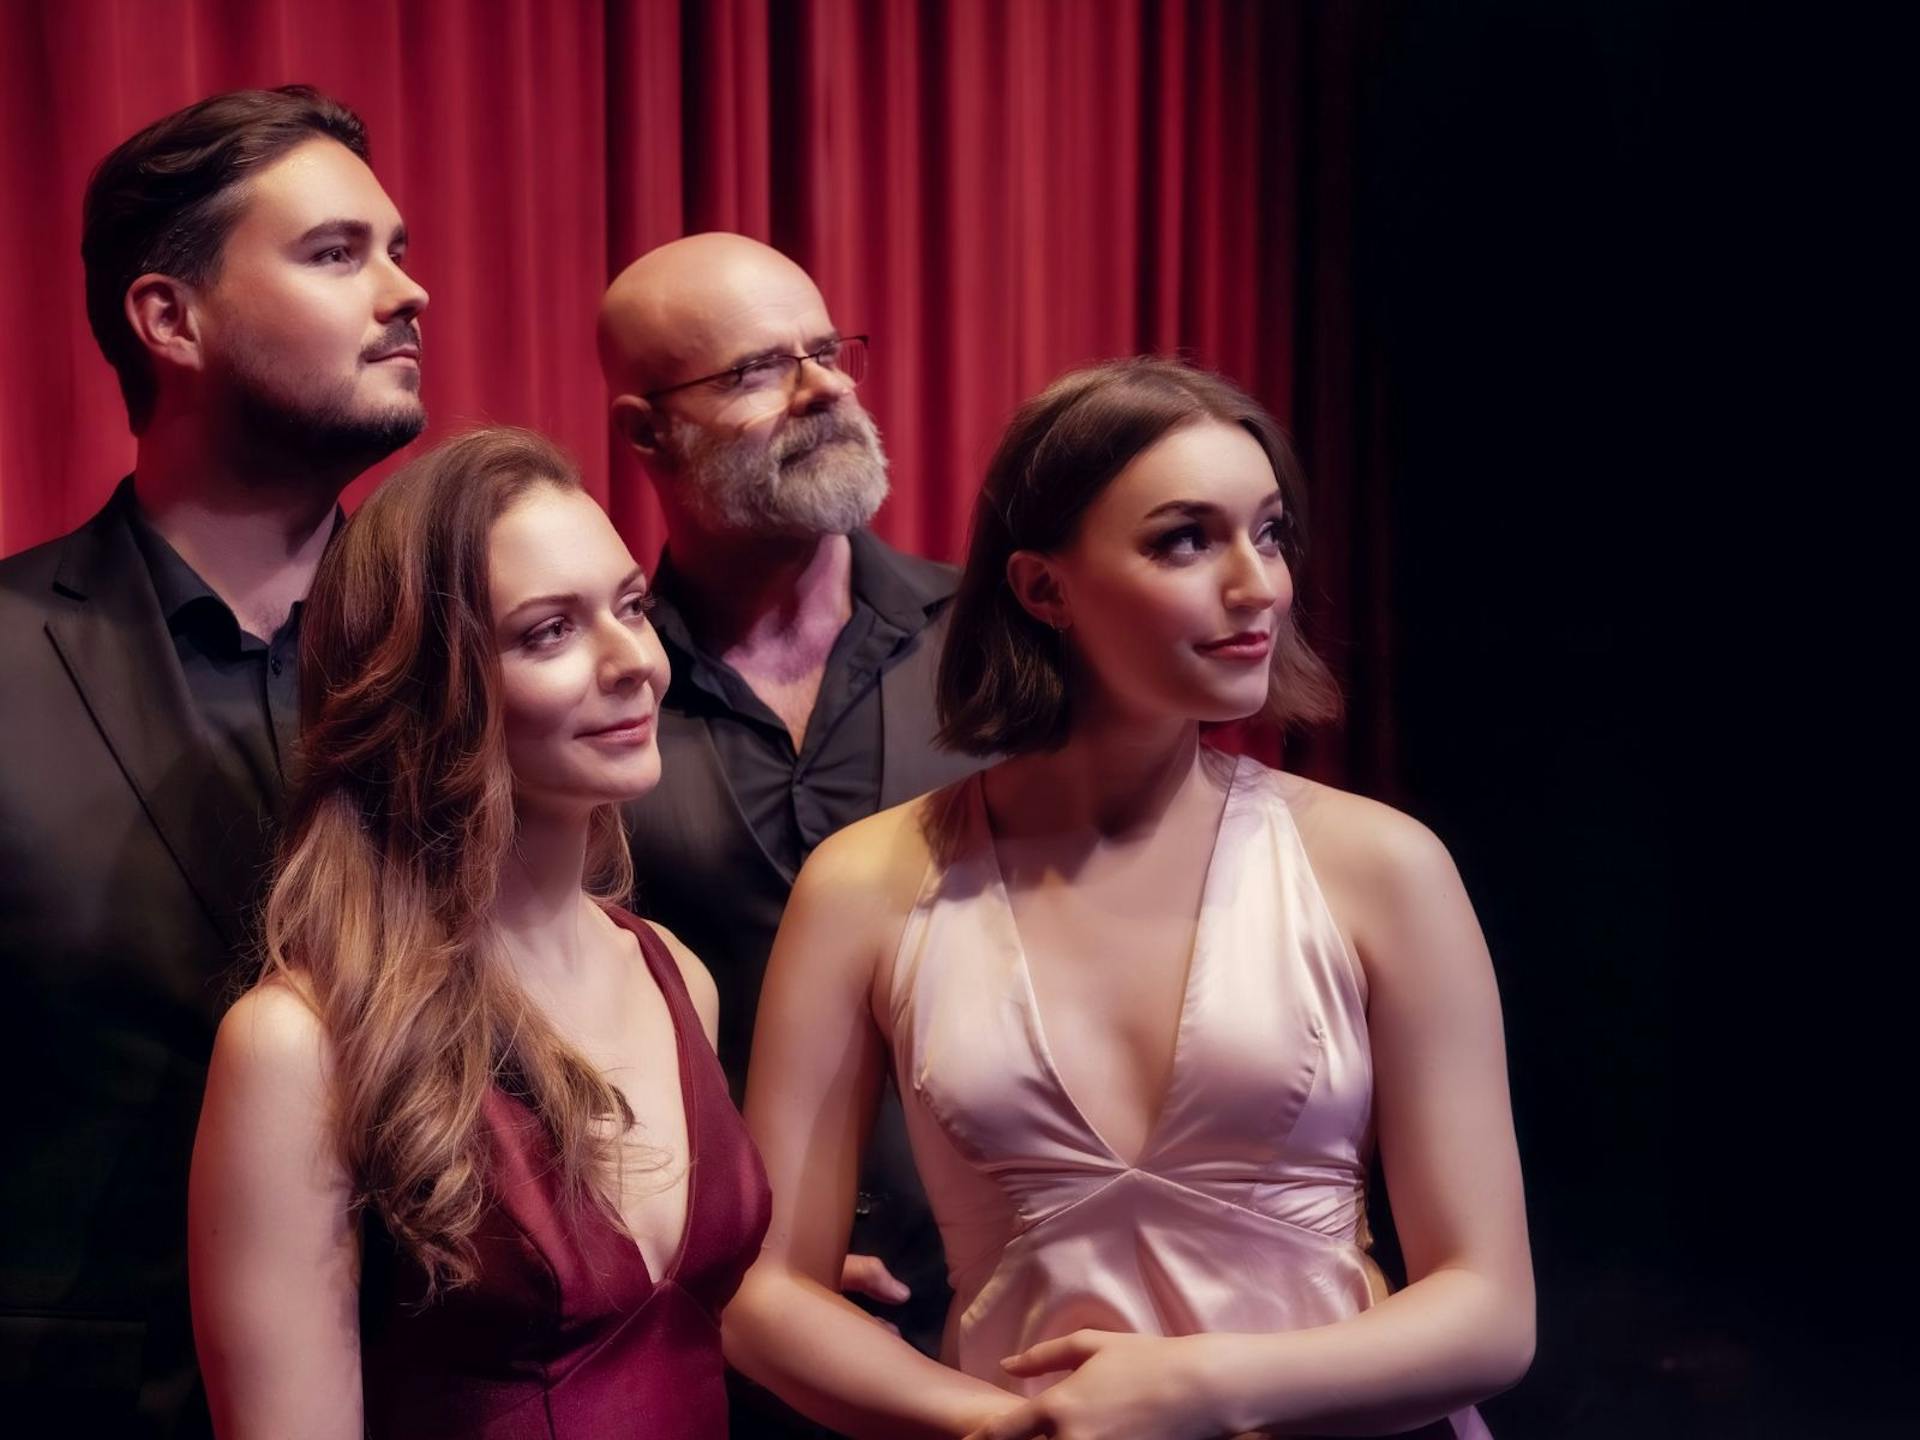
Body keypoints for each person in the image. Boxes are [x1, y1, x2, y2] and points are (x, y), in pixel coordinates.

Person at [723, 358, 1535, 1438]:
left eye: (1271, 533)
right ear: (1042, 589)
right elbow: (769, 1295)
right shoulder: (865, 886)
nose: (1259, 585)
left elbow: (1491, 1311)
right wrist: (1003, 1428)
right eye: (1186, 540)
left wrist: (1199, 1390)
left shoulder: (1382, 865)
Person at [187, 427, 770, 1438]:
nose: (634, 662)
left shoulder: (675, 973)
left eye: (632, 607)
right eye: (550, 632)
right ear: (425, 689)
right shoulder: (300, 1045)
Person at [0, 86, 426, 1434]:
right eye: (336, 254)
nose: (407, 292)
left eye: (397, 249)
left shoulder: (479, 652)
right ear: (169, 319)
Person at [597, 233, 983, 1376]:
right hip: (712, 1329)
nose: (827, 389)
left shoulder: (997, 649)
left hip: (1008, 1305)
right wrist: (720, 1255)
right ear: (645, 433)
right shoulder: (596, 690)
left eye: (827, 350)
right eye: (760, 369)